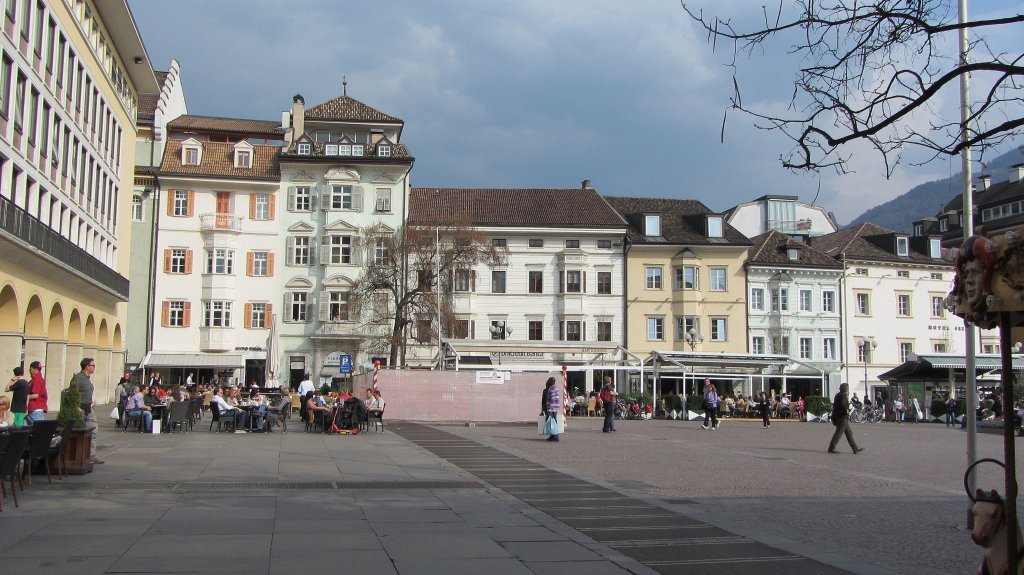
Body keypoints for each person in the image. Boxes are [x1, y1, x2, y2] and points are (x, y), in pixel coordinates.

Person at [72, 357, 102, 464]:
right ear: (87, 367)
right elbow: (72, 393)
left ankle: (92, 455)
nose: (94, 367)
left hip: (89, 408)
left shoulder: (87, 378)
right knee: (81, 432)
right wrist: (76, 407)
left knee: (93, 430)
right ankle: (81, 455)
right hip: (81, 408)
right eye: (93, 365)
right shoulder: (79, 378)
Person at [828, 383, 864, 454]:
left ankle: (855, 448)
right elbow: (844, 406)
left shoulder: (837, 395)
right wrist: (847, 411)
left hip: (839, 416)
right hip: (843, 417)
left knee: (849, 433)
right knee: (838, 433)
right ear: (845, 389)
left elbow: (836, 406)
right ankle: (831, 447)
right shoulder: (843, 396)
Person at [540, 376, 562, 442]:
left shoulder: (551, 389)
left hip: (552, 408)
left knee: (553, 422)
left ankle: (555, 436)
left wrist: (549, 409)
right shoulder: (556, 388)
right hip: (556, 407)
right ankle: (552, 436)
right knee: (553, 422)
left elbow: (552, 399)